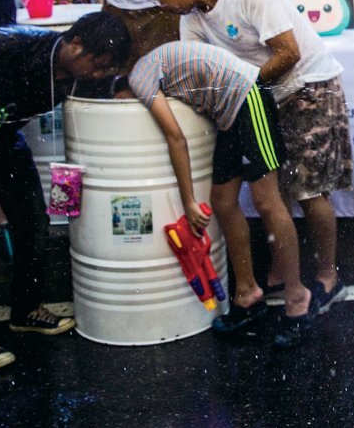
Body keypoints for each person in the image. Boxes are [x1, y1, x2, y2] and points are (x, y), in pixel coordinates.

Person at [135, 0, 353, 315]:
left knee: (309, 190)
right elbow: (207, 81)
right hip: (259, 98)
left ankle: (328, 277)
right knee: (274, 194)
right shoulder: (192, 22)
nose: (163, 6)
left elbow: (288, 54)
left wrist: (239, 91)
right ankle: (284, 273)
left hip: (308, 87)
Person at [0, 12, 130, 371]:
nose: (98, 75)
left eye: (105, 69)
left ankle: (26, 309)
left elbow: (113, 93)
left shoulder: (85, 75)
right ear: (74, 44)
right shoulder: (15, 42)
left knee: (33, 223)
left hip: (2, 140)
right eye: (96, 65)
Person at [124, 39, 315, 347]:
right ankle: (247, 293)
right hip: (228, 112)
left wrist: (187, 201)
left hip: (248, 97)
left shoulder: (139, 78)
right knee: (223, 203)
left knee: (267, 202)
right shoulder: (149, 66)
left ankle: (297, 297)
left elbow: (176, 137)